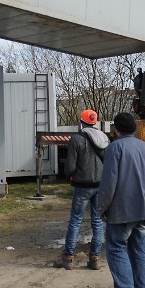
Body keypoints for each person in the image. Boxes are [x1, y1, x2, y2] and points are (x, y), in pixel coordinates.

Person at [97, 112, 145, 288]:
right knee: (139, 251)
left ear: (116, 129)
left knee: (116, 247)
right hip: (144, 209)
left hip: (122, 211)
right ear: (134, 129)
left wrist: (102, 207)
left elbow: (109, 183)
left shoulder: (114, 148)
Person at [54, 109, 109, 271]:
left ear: (81, 122)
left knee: (76, 220)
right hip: (100, 185)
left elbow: (70, 165)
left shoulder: (76, 139)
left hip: (82, 186)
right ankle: (95, 259)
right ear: (95, 121)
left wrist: (70, 176)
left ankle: (69, 258)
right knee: (98, 222)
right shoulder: (104, 138)